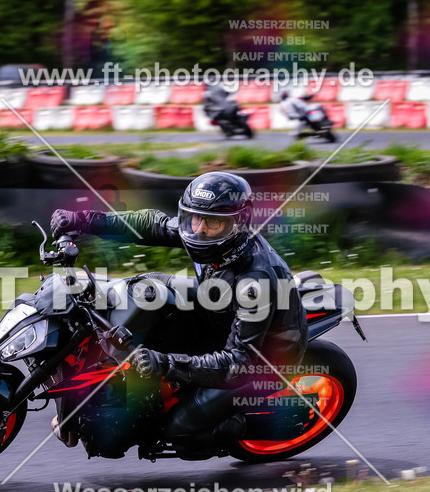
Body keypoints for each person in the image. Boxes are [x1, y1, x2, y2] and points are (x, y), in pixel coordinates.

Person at [49, 172, 308, 458]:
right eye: (194, 218)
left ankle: (250, 425)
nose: (199, 230)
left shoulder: (256, 281)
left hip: (262, 361)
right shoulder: (206, 232)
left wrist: (166, 362)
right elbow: (151, 224)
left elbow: (238, 363)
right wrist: (84, 220)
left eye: (212, 222)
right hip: (221, 311)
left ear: (239, 223)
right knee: (149, 290)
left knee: (182, 430)